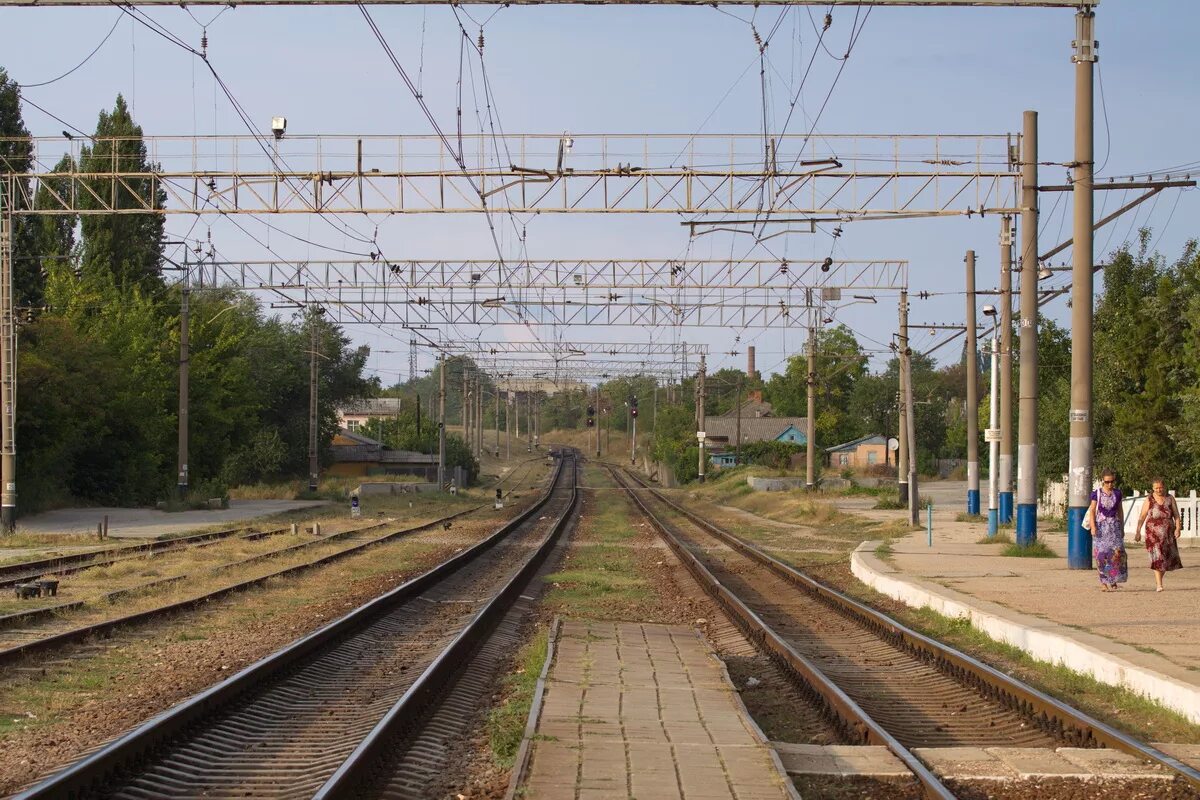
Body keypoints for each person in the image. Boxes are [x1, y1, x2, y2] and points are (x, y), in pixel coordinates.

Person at [1135, 478, 1184, 591]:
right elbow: (1142, 516)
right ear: (1152, 488)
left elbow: (1176, 515)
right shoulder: (1149, 499)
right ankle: (1159, 585)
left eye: (1160, 487)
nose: (1158, 490)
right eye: (1156, 488)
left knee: (1166, 559)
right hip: (1153, 534)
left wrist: (1178, 528)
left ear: (1164, 486)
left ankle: (1159, 580)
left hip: (1168, 533)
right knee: (1158, 557)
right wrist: (1138, 531)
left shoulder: (1170, 498)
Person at [1085, 470, 1126, 591]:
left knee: (1116, 554)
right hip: (1101, 527)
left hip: (1114, 527)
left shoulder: (1117, 493)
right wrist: (1093, 526)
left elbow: (1120, 510)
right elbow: (1092, 510)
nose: (1109, 484)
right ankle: (1103, 582)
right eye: (1107, 482)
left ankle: (1112, 577)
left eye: (1112, 481)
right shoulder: (1097, 493)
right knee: (1101, 555)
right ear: (1103, 481)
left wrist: (1122, 527)